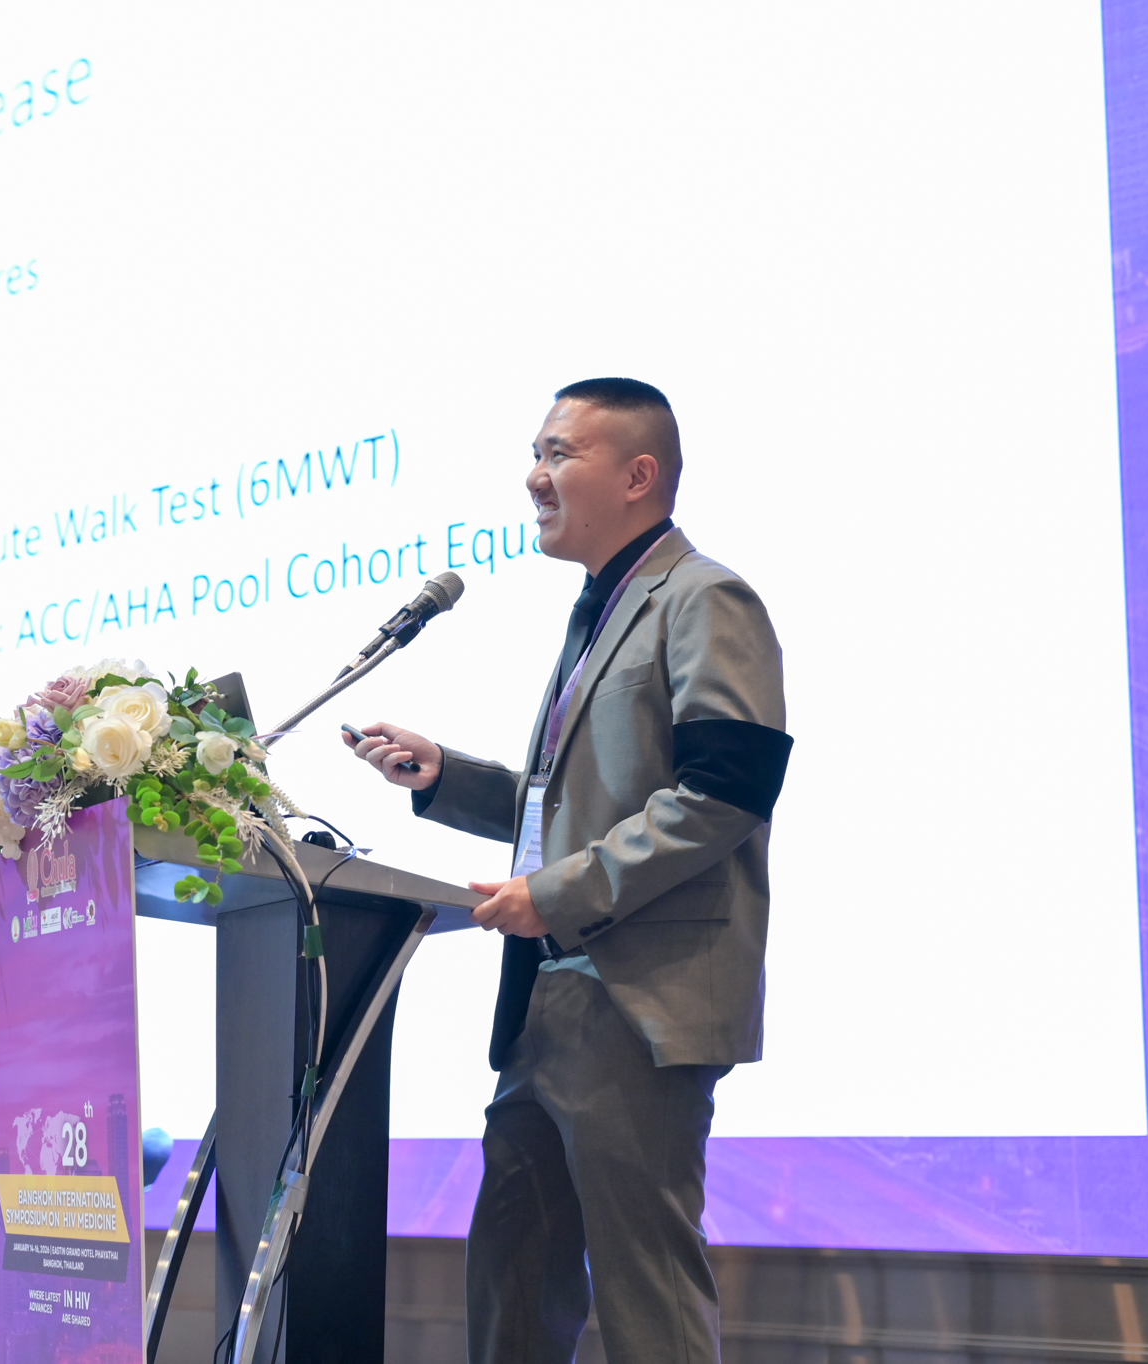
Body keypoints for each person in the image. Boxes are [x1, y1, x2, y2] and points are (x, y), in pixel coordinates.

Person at [346, 377, 792, 1364]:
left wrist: (552, 894)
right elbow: (571, 805)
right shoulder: (599, 610)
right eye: (535, 453)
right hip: (545, 1002)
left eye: (558, 453)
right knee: (512, 1281)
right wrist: (445, 777)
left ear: (638, 475)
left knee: (646, 1300)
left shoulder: (703, 596)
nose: (533, 476)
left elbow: (723, 794)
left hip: (638, 1003)